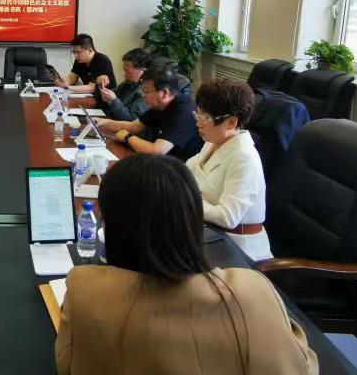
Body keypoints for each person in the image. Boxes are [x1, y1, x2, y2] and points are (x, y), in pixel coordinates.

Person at [55, 154, 318, 375]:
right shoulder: (254, 292)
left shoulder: (86, 290)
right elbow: (303, 367)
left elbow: (66, 365)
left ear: (113, 226)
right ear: (193, 221)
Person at [186, 78, 272, 261]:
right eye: (198, 115)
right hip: (208, 232)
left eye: (205, 118)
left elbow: (228, 216)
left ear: (231, 123)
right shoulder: (213, 142)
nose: (198, 123)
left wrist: (185, 200)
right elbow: (190, 169)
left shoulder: (244, 157)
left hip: (238, 249)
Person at [95, 64, 203, 161]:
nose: (143, 95)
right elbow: (134, 126)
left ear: (164, 92)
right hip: (161, 162)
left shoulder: (183, 112)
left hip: (177, 169)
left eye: (146, 91)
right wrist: (104, 123)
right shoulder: (161, 105)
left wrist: (128, 137)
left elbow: (157, 151)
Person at [96, 51, 193, 121]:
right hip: (115, 124)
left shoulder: (149, 91)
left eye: (127, 71)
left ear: (144, 70)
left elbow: (131, 119)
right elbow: (104, 99)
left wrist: (113, 100)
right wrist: (100, 86)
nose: (124, 74)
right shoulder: (129, 82)